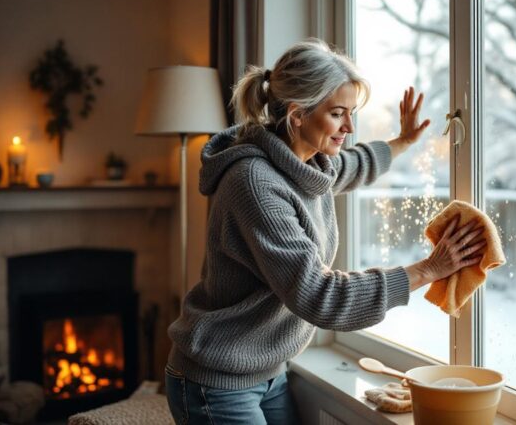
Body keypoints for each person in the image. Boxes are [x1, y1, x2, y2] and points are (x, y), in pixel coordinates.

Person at [164, 38, 487, 425]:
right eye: (338, 114)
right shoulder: (255, 183)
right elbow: (320, 295)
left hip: (269, 372)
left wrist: (401, 141)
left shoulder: (309, 162)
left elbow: (353, 164)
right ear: (298, 115)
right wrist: (427, 270)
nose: (349, 127)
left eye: (351, 113)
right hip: (216, 382)